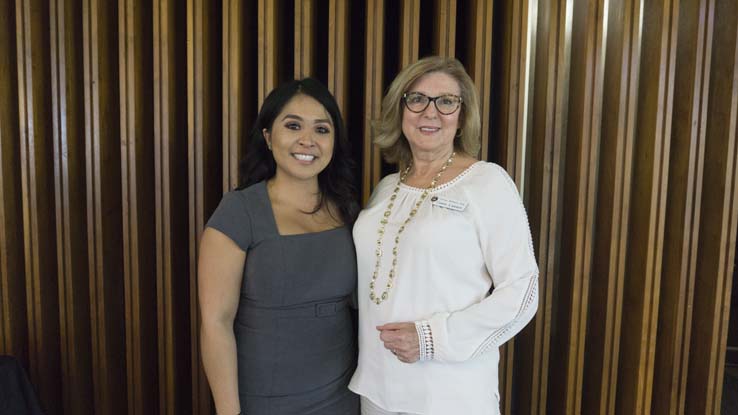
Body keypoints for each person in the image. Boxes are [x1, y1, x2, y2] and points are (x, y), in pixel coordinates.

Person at [349, 56, 539, 415]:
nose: (429, 112)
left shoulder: (487, 182)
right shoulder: (386, 188)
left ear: (462, 115)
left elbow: (524, 291)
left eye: (446, 101)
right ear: (400, 109)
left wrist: (431, 338)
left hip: (449, 395)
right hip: (377, 391)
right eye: (417, 98)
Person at [198, 78, 360, 415]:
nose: (308, 140)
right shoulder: (239, 212)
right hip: (265, 401)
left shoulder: (348, 211)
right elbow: (216, 322)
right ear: (268, 137)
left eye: (322, 129)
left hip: (342, 396)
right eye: (293, 126)